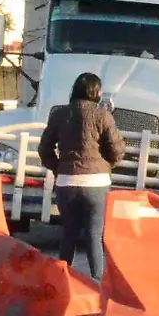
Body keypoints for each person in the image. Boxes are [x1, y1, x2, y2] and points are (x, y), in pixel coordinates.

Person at [38, 72, 125, 280]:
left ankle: (62, 281)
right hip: (97, 184)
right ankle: (98, 285)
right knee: (95, 236)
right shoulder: (103, 115)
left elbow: (44, 149)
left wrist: (59, 168)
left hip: (67, 183)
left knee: (68, 234)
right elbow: (116, 150)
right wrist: (106, 165)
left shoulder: (59, 115)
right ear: (97, 92)